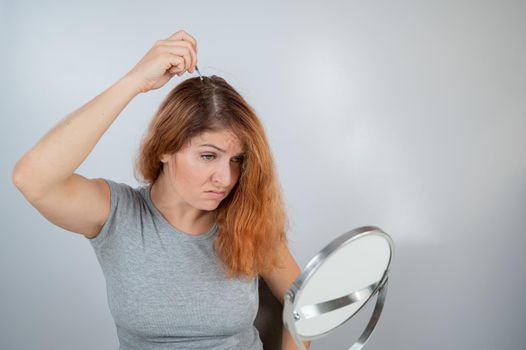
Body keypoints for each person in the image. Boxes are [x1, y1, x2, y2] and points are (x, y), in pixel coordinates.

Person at [12, 30, 311, 349]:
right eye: (208, 156)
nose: (225, 178)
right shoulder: (118, 214)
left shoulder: (248, 218)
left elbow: (306, 306)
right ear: (165, 149)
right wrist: (134, 81)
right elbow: (32, 178)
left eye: (237, 159)